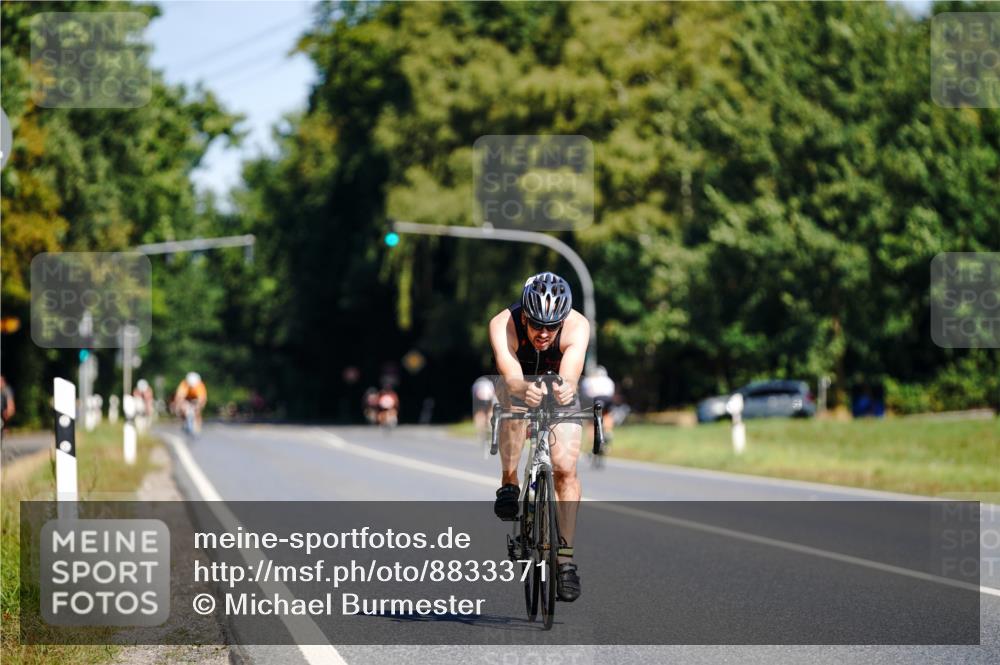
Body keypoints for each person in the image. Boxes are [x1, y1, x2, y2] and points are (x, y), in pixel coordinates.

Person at [488, 271, 589, 602]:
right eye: (536, 325)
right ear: (524, 315)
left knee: (565, 468)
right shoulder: (503, 324)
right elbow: (509, 370)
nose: (544, 334)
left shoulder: (577, 325)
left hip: (559, 386)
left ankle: (565, 562)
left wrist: (562, 390)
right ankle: (509, 482)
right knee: (510, 399)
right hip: (519, 384)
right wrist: (522, 388)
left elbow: (570, 377)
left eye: (552, 326)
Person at [581, 365, 616, 442]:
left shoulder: (588, 380)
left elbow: (584, 393)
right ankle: (608, 431)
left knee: (591, 420)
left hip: (594, 399)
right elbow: (611, 393)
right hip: (607, 400)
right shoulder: (608, 380)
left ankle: (593, 440)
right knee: (607, 414)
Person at [471, 376, 497, 443]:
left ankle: (480, 432)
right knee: (489, 410)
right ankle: (489, 425)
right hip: (487, 395)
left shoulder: (477, 383)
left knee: (479, 412)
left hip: (479, 395)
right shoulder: (490, 383)